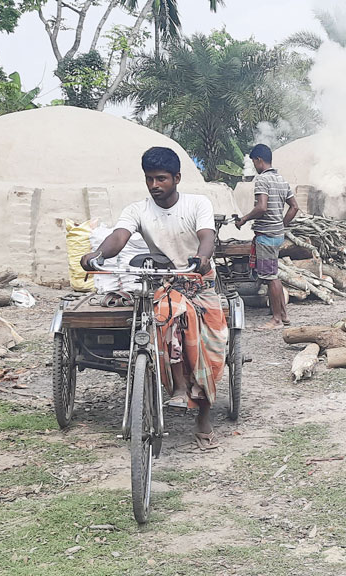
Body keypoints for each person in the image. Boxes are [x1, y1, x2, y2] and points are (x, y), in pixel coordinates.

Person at [80, 146, 228, 450]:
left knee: (210, 350)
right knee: (164, 315)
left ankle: (203, 419)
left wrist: (201, 258)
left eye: (161, 179)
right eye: (149, 179)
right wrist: (98, 254)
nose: (154, 185)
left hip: (200, 283)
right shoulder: (138, 210)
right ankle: (178, 387)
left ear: (176, 177)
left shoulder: (197, 204)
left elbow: (207, 237)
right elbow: (119, 237)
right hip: (164, 282)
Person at [235, 143, 299, 329]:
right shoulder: (281, 179)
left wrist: (244, 219)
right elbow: (294, 207)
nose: (254, 166)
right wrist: (282, 224)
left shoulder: (262, 180)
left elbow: (262, 207)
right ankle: (284, 316)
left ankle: (276, 319)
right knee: (273, 275)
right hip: (277, 234)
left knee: (271, 277)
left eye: (254, 162)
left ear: (258, 160)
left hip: (266, 235)